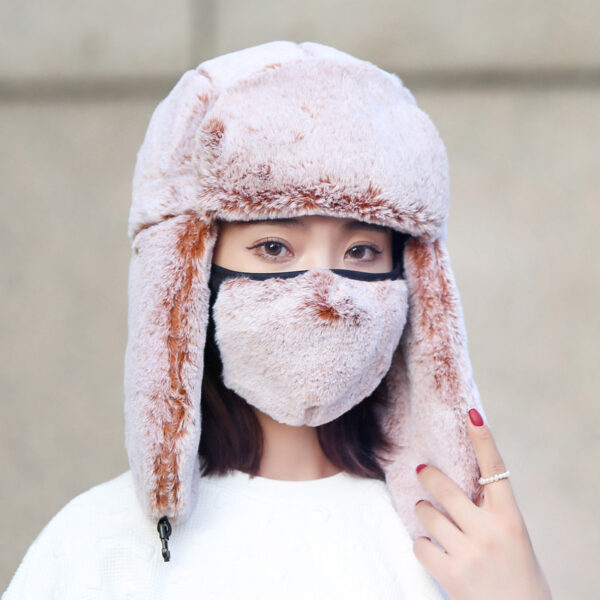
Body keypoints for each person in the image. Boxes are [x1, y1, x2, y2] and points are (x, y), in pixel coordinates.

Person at [2, 41, 552, 599]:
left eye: (361, 251)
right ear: (189, 277)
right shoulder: (99, 544)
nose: (325, 294)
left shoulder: (452, 547)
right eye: (273, 246)